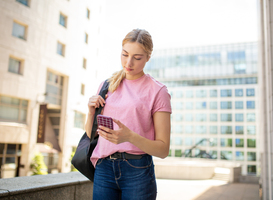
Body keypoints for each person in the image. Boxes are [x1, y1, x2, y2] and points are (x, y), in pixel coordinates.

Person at [85, 29, 172, 200]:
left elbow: (163, 150)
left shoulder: (158, 91)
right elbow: (91, 135)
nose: (128, 62)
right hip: (104, 168)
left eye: (137, 57)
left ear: (148, 57)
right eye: (125, 54)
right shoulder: (107, 85)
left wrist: (130, 137)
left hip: (137, 170)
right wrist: (90, 112)